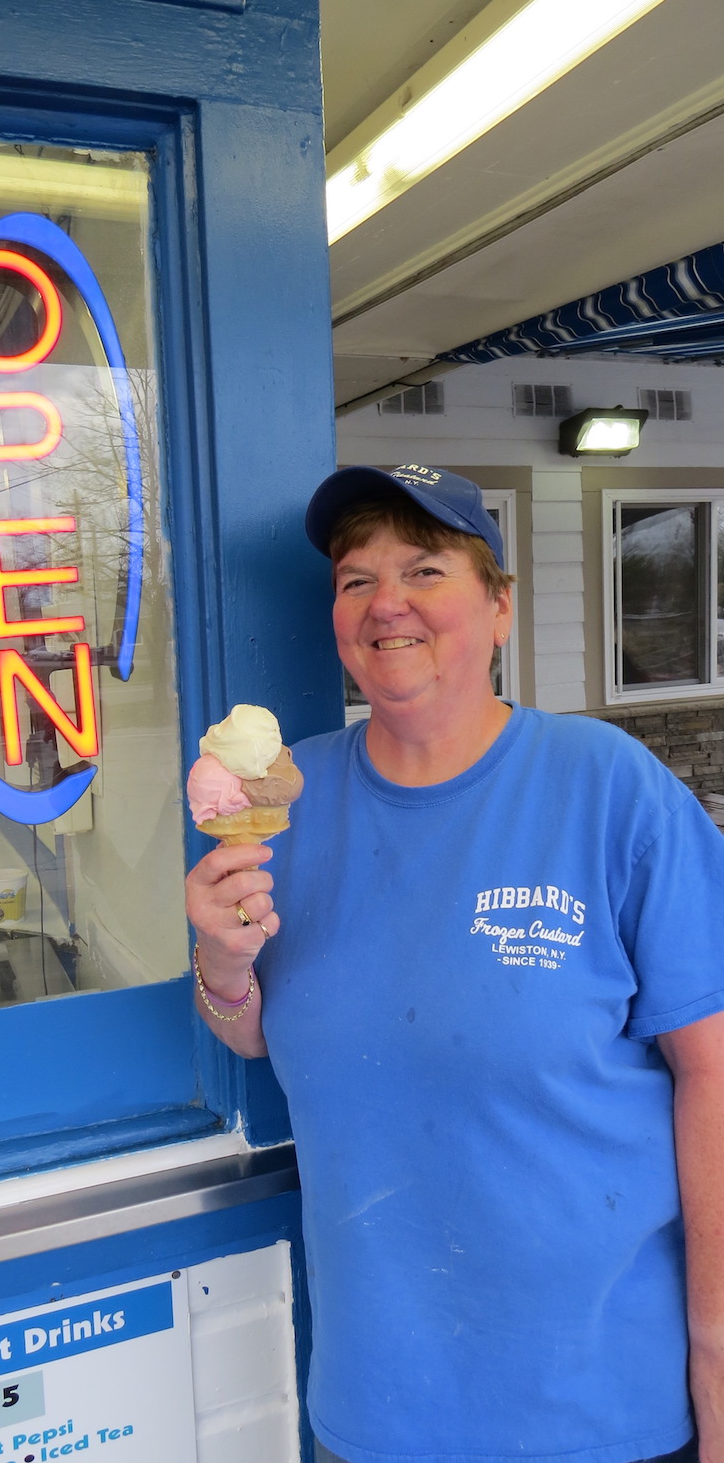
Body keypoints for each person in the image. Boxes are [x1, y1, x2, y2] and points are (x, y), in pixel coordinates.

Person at [185, 463, 724, 1463]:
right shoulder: (287, 802)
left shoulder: (609, 789)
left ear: (500, 607)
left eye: (425, 569)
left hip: (601, 1407)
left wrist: (718, 1352)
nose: (385, 601)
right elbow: (258, 1035)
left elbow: (715, 1076)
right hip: (379, 1410)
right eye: (356, 578)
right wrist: (221, 962)